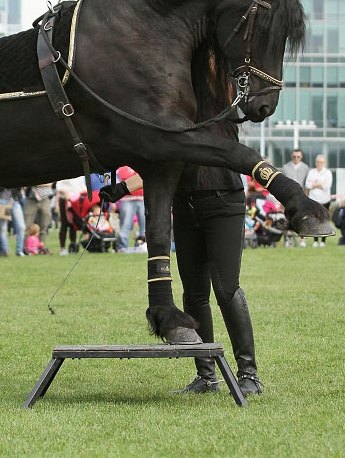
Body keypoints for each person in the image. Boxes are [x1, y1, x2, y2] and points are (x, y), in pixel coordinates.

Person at [100, 158, 263, 398]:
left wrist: (124, 187)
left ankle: (249, 375)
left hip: (224, 201)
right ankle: (207, 377)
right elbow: (162, 162)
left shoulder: (215, 123)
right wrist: (122, 188)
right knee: (194, 294)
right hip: (185, 206)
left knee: (226, 290)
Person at [281, 149, 310, 246]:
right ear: (291, 156)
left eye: (298, 157)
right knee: (288, 218)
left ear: (301, 157)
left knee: (302, 218)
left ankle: (302, 239)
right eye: (294, 157)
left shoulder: (306, 168)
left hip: (300, 196)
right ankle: (288, 239)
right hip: (288, 196)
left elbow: (307, 184)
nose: (296, 159)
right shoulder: (286, 167)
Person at [115, 165, 146, 251]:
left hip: (142, 198)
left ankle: (143, 244)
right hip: (127, 199)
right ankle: (122, 246)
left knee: (144, 223)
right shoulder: (121, 169)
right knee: (125, 224)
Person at [305, 155, 333, 247]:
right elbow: (308, 185)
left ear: (324, 163)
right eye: (317, 162)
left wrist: (314, 184)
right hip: (313, 199)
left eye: (321, 162)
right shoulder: (312, 172)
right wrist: (319, 184)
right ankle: (315, 240)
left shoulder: (327, 173)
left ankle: (323, 240)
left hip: (324, 200)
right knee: (314, 220)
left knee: (324, 220)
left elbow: (326, 186)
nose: (319, 164)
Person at [55, 176, 86, 255]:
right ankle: (63, 248)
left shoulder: (81, 175)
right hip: (65, 200)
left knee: (74, 224)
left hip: (77, 200)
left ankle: (73, 246)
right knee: (64, 224)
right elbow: (59, 186)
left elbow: (83, 187)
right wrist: (65, 193)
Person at [0, 187, 26, 257]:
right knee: (3, 228)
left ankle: (19, 250)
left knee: (21, 227)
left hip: (15, 200)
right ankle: (6, 250)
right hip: (2, 200)